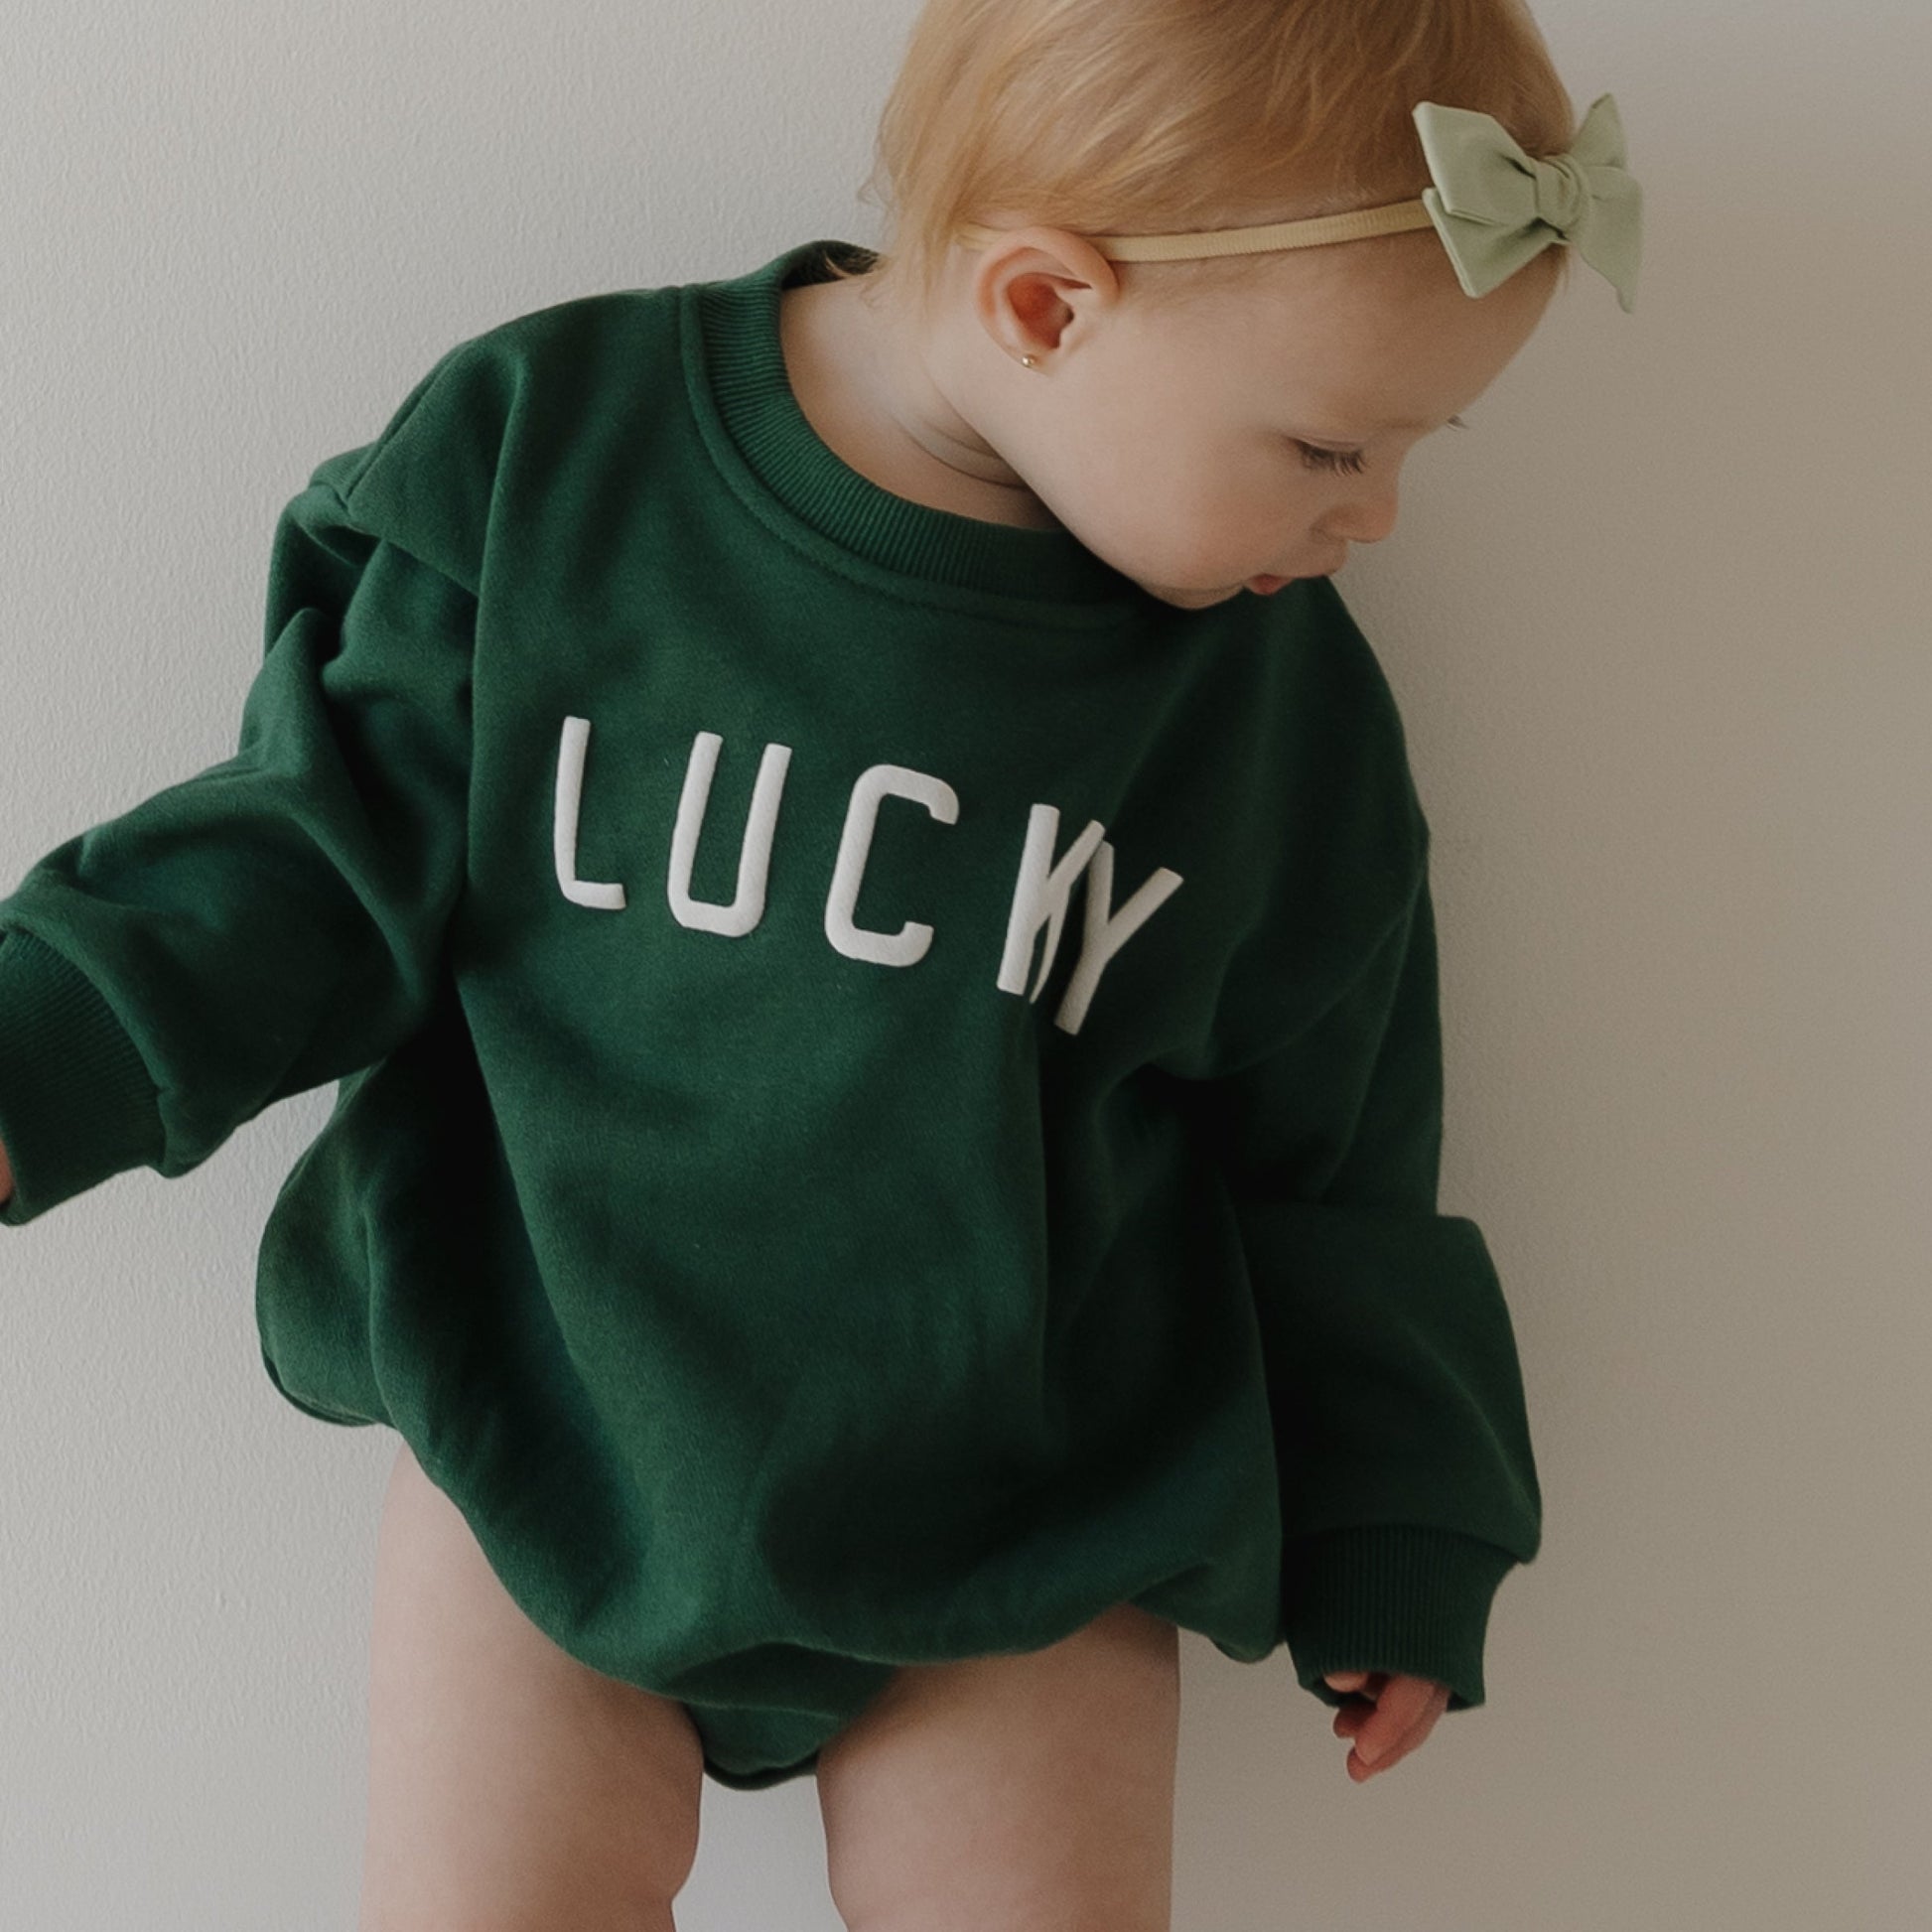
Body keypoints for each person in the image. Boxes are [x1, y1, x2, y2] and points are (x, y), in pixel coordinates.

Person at [0, 0, 1641, 1925]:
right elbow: (308, 850)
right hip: (547, 1412)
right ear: (1044, 303)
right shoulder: (560, 462)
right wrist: (38, 1049)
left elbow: (1337, 1132)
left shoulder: (1272, 704)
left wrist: (1396, 1525)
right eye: (1328, 445)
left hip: (1033, 1496)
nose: (1367, 518)